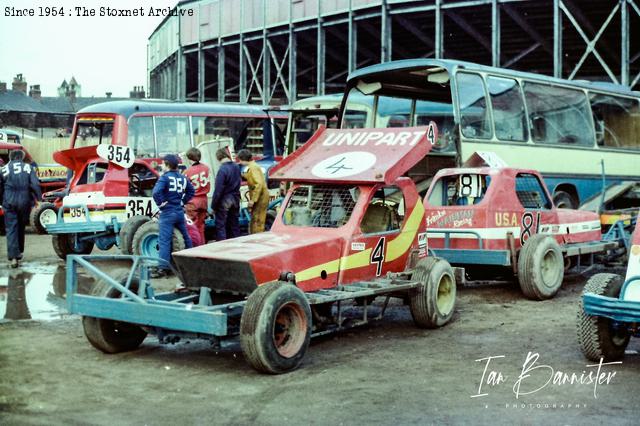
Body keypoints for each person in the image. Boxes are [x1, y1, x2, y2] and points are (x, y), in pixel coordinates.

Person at [151, 154, 195, 277]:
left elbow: (156, 192)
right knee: (186, 237)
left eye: (163, 164)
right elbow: (192, 191)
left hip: (168, 212)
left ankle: (162, 268)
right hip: (179, 211)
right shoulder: (182, 177)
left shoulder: (164, 178)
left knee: (164, 240)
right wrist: (183, 201)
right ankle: (191, 262)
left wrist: (161, 204)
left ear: (167, 164)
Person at [0, 150, 42, 268]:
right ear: (22, 158)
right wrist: (38, 199)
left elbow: (0, 187)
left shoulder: (3, 169)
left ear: (10, 158)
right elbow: (35, 184)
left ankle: (14, 257)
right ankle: (19, 252)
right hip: (24, 201)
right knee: (21, 226)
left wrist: (1, 201)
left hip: (9, 200)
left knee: (11, 228)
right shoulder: (28, 168)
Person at [211, 148, 241, 240]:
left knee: (221, 225)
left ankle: (222, 247)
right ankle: (237, 245)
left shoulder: (222, 170)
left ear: (218, 158)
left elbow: (218, 190)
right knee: (234, 225)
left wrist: (213, 206)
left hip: (225, 200)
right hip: (236, 199)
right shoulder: (236, 167)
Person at [237, 149, 269, 234]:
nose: (240, 162)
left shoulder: (253, 167)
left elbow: (259, 184)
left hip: (260, 198)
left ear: (243, 159)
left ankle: (258, 238)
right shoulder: (253, 167)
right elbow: (253, 178)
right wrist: (243, 176)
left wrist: (253, 200)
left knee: (258, 221)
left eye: (240, 160)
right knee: (255, 219)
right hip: (260, 197)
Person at [183, 147, 211, 243]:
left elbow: (184, 187)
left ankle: (194, 246)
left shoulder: (188, 172)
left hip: (193, 200)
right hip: (204, 199)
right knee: (201, 225)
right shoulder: (206, 168)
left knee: (192, 226)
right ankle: (202, 244)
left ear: (189, 158)